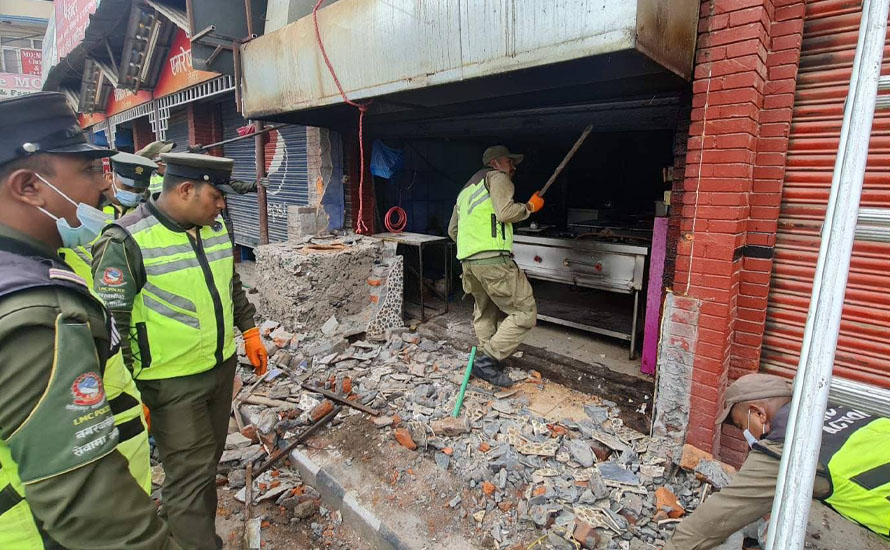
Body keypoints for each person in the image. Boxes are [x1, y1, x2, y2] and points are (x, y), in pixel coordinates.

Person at [0, 92, 179, 548]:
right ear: (27, 187)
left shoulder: (42, 263)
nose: (102, 186)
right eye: (85, 171)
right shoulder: (33, 310)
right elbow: (89, 509)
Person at [92, 152, 268, 549]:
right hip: (169, 383)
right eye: (215, 195)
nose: (222, 204)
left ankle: (180, 533)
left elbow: (231, 285)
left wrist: (250, 331)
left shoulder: (215, 226)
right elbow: (111, 326)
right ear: (186, 189)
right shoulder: (127, 239)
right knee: (190, 475)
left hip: (219, 370)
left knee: (203, 468)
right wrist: (131, 393)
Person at [664, 373, 890, 549]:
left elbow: (717, 517)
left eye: (742, 426)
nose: (746, 436)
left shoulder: (788, 446)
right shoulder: (830, 408)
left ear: (759, 414)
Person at [447, 145, 545, 387]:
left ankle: (488, 361)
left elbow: (453, 231)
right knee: (525, 312)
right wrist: (530, 208)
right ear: (495, 163)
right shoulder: (497, 178)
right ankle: (488, 361)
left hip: (469, 264)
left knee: (486, 312)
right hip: (494, 262)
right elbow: (505, 213)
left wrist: (474, 247)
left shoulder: (465, 191)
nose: (513, 167)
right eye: (509, 161)